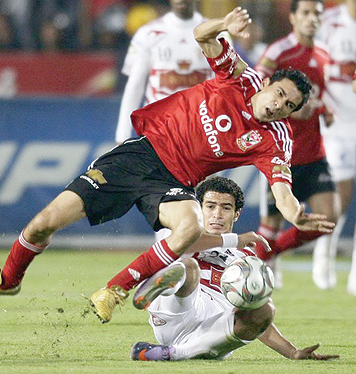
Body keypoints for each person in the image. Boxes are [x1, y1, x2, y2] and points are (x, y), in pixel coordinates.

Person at [0, 8, 334, 326]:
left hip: (173, 180)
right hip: (139, 154)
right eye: (280, 94)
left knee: (191, 226)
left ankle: (116, 289)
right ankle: (8, 280)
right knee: (44, 224)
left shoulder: (275, 139)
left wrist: (296, 215)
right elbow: (201, 35)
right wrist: (223, 23)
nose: (278, 105)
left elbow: (282, 192)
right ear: (268, 83)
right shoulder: (240, 77)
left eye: (288, 106)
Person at [130, 176, 339, 362]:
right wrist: (233, 240)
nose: (217, 215)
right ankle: (156, 291)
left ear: (236, 214)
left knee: (265, 308)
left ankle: (171, 353)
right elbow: (184, 244)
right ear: (198, 208)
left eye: (226, 208)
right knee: (188, 266)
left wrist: (292, 352)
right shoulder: (180, 232)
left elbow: (260, 322)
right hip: (177, 311)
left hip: (215, 331)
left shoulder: (246, 257)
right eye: (210, 206)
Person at [251, 0, 339, 289]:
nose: (312, 19)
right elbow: (257, 85)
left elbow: (318, 94)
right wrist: (288, 109)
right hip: (281, 153)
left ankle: (269, 255)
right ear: (292, 17)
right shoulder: (279, 51)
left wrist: (324, 109)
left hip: (313, 152)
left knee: (328, 217)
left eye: (317, 14)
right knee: (271, 226)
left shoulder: (325, 53)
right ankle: (254, 272)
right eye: (306, 13)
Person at [114, 0, 214, 145]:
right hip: (159, 131)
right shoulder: (148, 32)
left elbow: (227, 82)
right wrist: (122, 136)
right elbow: (135, 85)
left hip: (202, 132)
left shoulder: (213, 31)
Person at [313, 0, 356, 294]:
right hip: (338, 122)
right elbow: (312, 65)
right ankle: (323, 250)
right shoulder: (328, 23)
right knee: (340, 196)